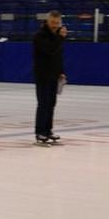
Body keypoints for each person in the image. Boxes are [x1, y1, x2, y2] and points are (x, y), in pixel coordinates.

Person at [33, 10, 67, 144]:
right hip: (42, 75)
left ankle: (48, 130)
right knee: (43, 103)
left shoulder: (56, 36)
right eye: (53, 22)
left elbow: (57, 56)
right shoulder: (40, 36)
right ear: (48, 21)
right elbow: (50, 50)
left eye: (57, 23)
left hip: (54, 75)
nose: (55, 25)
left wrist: (61, 72)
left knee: (51, 104)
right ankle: (40, 132)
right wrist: (61, 38)